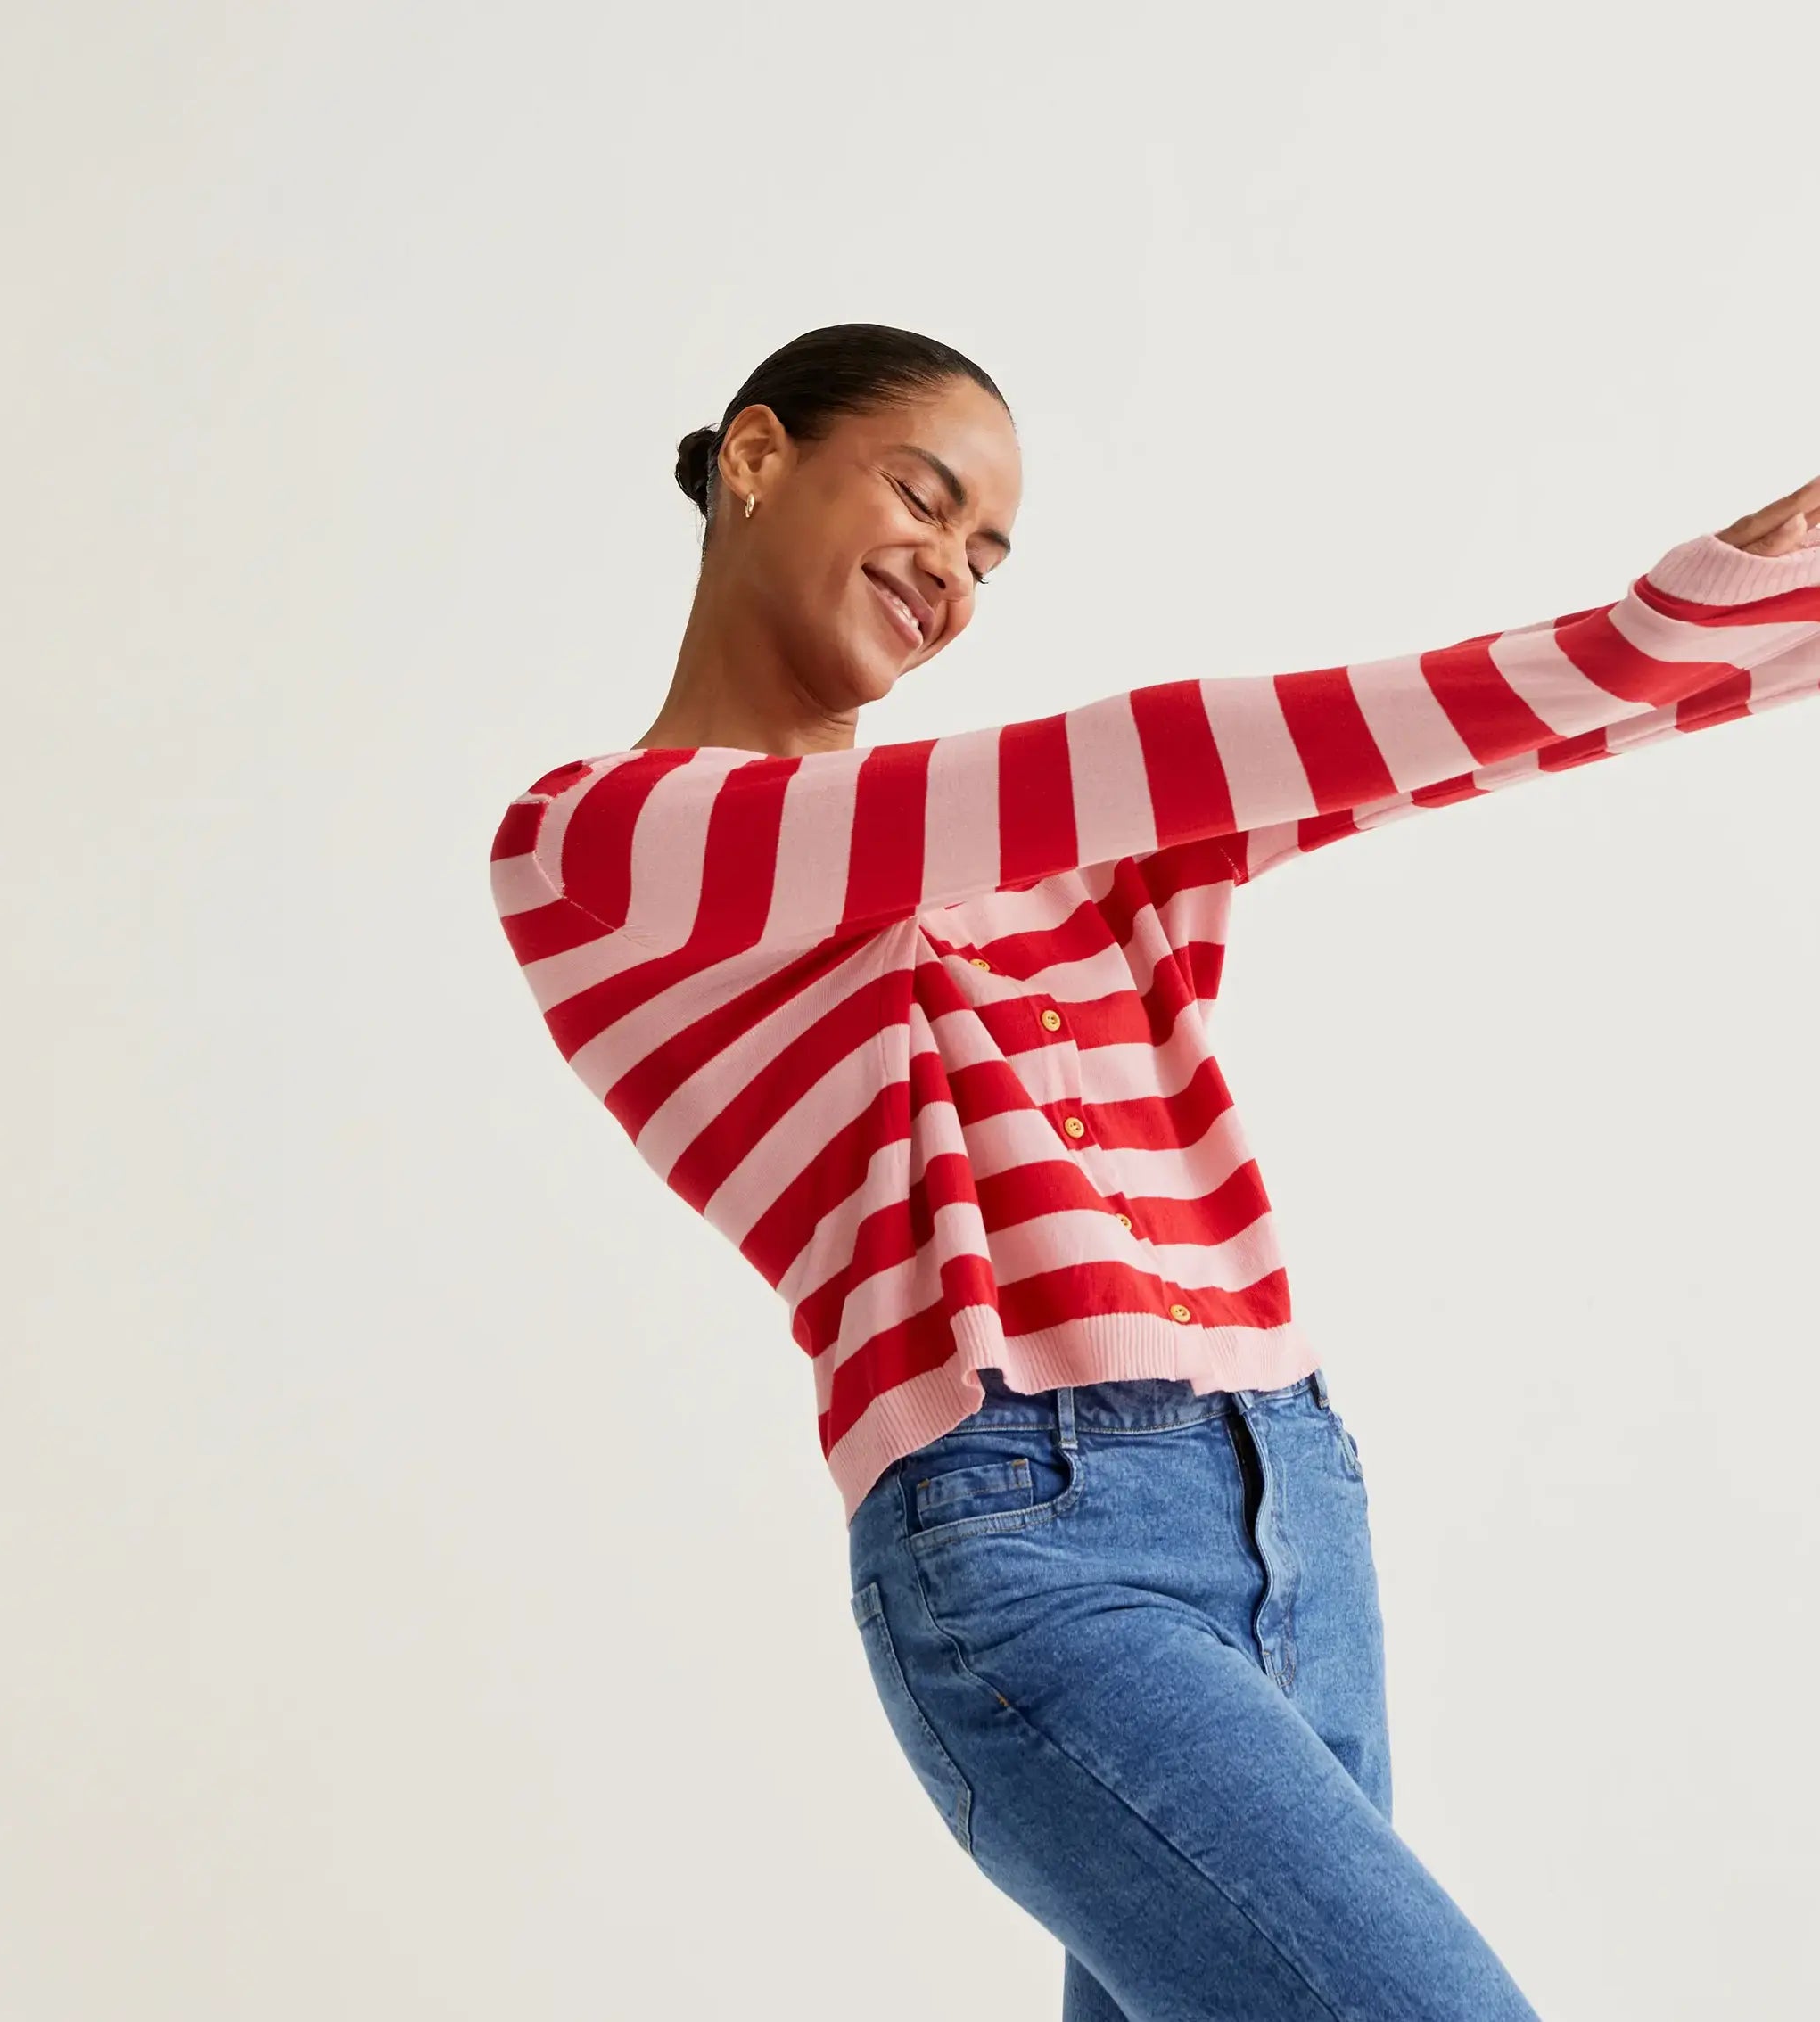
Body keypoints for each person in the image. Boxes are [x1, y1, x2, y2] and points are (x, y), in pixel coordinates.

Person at [488, 321, 1820, 2018]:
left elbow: (1463, 746)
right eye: (924, 495)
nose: (951, 576)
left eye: (988, 556)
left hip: (1297, 1504)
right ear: (756, 456)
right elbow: (1176, 747)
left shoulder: (1048, 861)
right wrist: (1647, 628)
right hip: (1027, 1538)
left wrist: (1763, 630)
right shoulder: (598, 841)